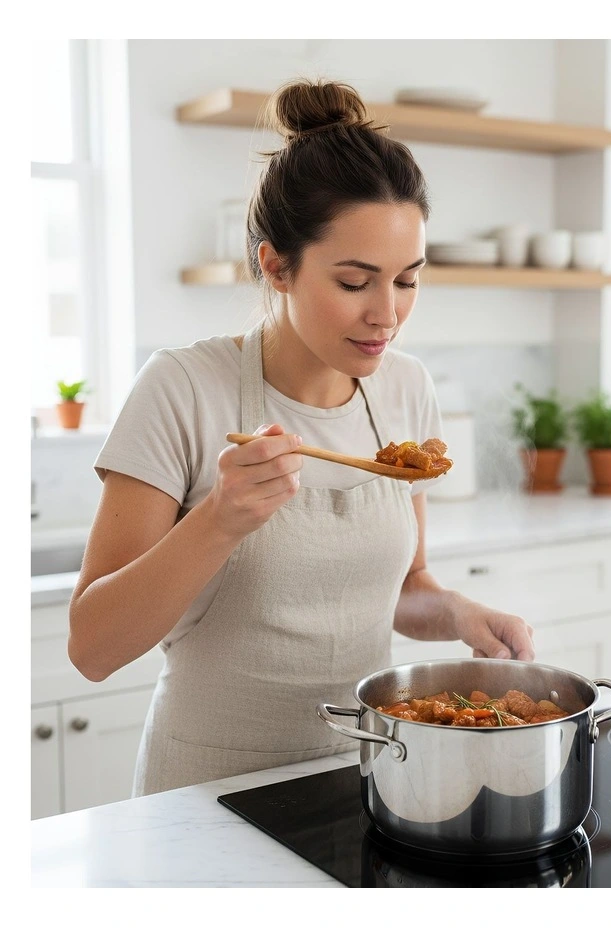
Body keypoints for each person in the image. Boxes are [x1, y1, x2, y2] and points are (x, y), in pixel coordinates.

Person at [68, 78, 534, 797]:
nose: (388, 314)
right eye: (355, 282)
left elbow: (402, 586)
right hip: (205, 793)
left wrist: (458, 614)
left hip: (366, 775)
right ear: (275, 266)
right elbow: (92, 648)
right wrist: (220, 522)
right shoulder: (184, 388)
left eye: (407, 281)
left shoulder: (406, 389)